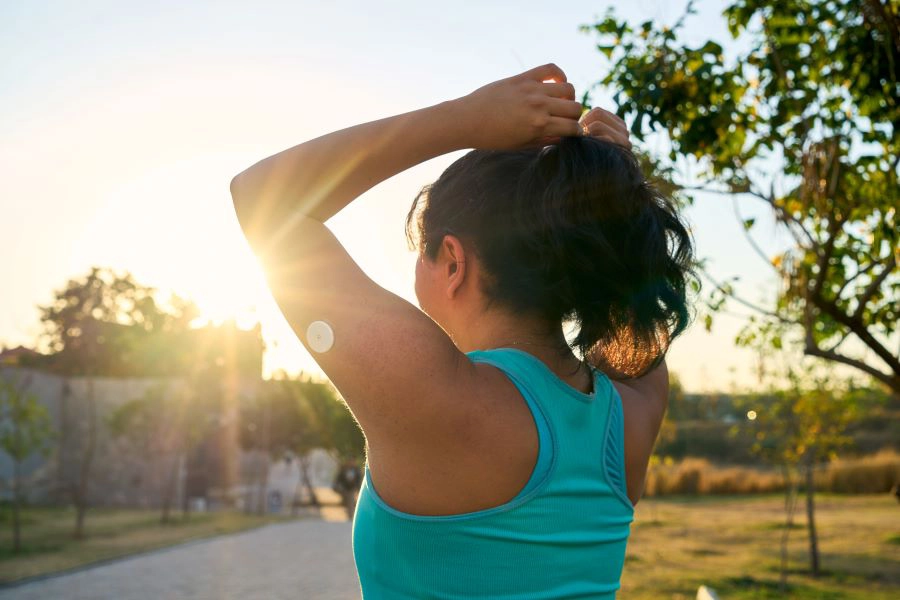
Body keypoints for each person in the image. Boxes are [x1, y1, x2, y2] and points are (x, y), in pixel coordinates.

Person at [230, 63, 696, 599]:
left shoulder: (435, 396)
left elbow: (261, 197)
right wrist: (611, 187)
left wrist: (461, 119)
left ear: (452, 262)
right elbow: (630, 295)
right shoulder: (630, 416)